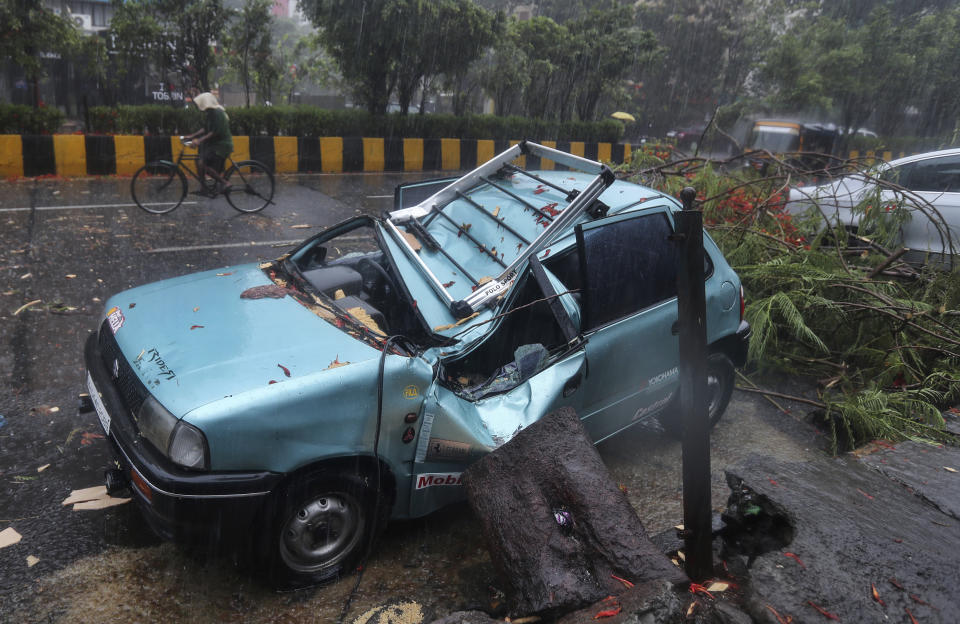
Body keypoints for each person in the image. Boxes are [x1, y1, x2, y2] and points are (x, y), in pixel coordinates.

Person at [182, 92, 233, 196]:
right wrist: (192, 136)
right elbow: (205, 129)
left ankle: (225, 183)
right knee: (199, 161)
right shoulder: (210, 113)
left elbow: (214, 132)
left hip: (221, 146)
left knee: (204, 166)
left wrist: (199, 140)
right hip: (214, 145)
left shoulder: (217, 113)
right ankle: (203, 188)